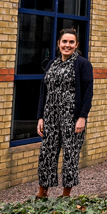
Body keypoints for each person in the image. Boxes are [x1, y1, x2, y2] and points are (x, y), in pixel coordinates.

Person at [35, 28, 94, 200]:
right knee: (46, 154)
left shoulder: (83, 64)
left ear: (76, 45)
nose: (67, 45)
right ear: (59, 44)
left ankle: (65, 195)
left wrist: (82, 117)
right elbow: (43, 92)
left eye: (71, 42)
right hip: (50, 116)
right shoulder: (51, 64)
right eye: (64, 42)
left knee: (70, 155)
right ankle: (42, 193)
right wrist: (40, 117)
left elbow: (88, 92)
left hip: (72, 118)